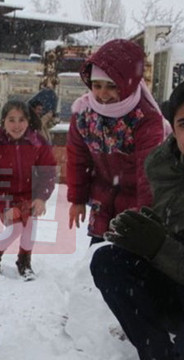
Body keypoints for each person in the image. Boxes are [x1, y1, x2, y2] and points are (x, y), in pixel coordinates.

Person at [91, 81, 184, 360]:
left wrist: (159, 247)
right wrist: (141, 238)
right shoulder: (164, 169)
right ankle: (157, 353)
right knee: (109, 261)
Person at [66, 39, 169, 245]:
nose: (103, 95)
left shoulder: (146, 119)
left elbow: (149, 173)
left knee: (124, 266)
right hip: (102, 202)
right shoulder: (84, 114)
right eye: (97, 85)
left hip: (136, 205)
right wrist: (77, 199)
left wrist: (145, 217)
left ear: (127, 84)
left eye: (111, 86)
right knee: (98, 261)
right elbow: (78, 159)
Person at [0, 100, 57, 280]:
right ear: (3, 121)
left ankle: (24, 262)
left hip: (30, 196)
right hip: (6, 197)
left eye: (21, 120)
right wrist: (3, 205)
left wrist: (41, 198)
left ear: (28, 121)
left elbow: (48, 171)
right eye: (11, 120)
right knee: (16, 227)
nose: (17, 125)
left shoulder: (37, 143)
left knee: (30, 226)